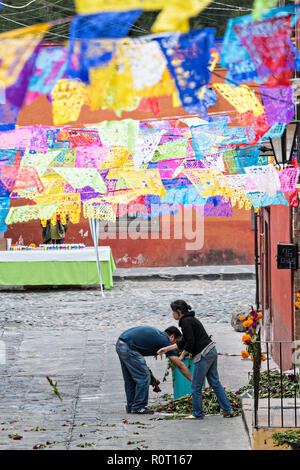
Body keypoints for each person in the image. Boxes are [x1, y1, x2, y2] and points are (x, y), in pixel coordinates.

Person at [157, 300, 234, 420]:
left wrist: (181, 356)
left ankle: (197, 413)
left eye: (173, 312)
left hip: (203, 355)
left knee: (196, 386)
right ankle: (227, 409)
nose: (172, 315)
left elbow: (190, 342)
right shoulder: (190, 319)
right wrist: (167, 349)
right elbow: (184, 342)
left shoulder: (185, 322)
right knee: (215, 383)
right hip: (211, 350)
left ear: (178, 312)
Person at [116, 325, 192, 414]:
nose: (175, 346)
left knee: (130, 379)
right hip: (129, 348)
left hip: (120, 343)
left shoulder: (159, 335)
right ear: (171, 337)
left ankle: (131, 406)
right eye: (176, 343)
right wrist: (192, 380)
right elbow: (180, 365)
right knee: (144, 377)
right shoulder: (166, 342)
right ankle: (138, 407)